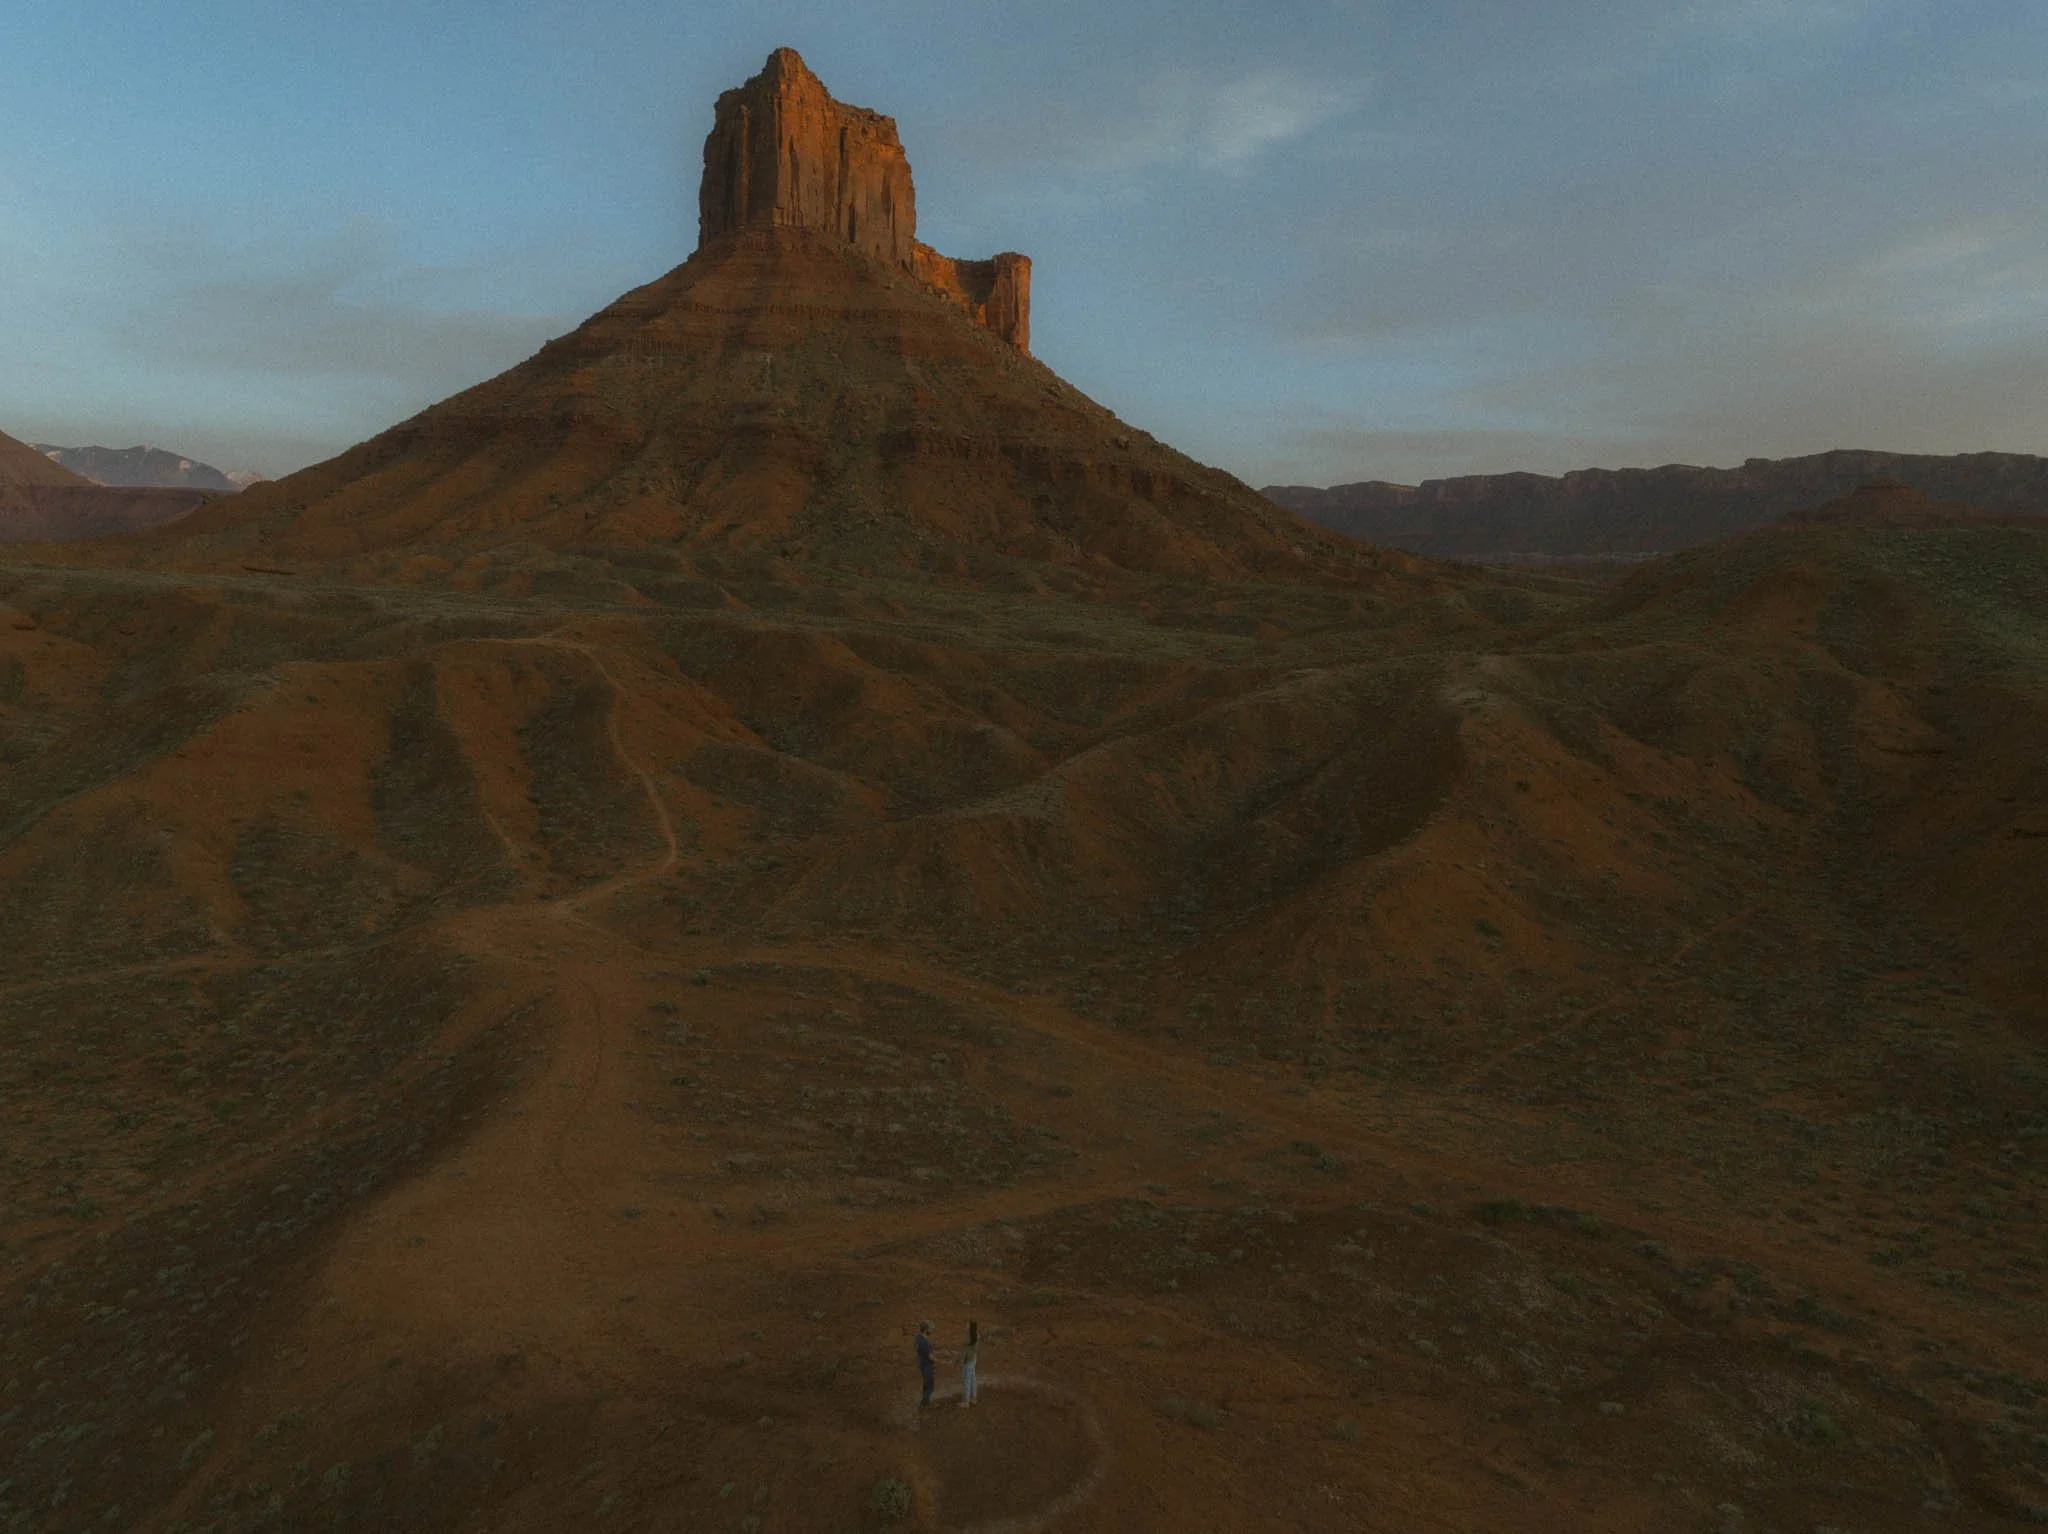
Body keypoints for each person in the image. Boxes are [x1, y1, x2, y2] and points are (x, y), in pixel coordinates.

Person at [959, 1319, 979, 1407]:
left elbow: (965, 1352)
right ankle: (973, 1398)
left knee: (966, 1380)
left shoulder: (969, 1338)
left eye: (967, 1325)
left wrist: (957, 1360)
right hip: (973, 1360)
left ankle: (966, 1401)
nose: (966, 1326)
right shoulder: (976, 1336)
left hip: (968, 1361)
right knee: (972, 1378)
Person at [915, 1320, 935, 1407]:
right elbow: (930, 1357)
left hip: (921, 1362)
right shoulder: (925, 1343)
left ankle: (925, 1399)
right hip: (927, 1365)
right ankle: (925, 1402)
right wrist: (942, 1361)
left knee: (926, 1382)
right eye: (930, 1329)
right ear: (926, 1330)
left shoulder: (918, 1337)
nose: (931, 1331)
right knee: (930, 1384)